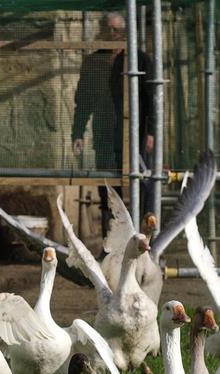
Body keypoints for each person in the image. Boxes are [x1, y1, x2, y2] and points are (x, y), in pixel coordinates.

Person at [71, 12, 156, 238]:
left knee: (143, 182)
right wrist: (77, 133)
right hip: (105, 134)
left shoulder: (140, 60)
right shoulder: (93, 62)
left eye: (116, 30)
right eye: (108, 30)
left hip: (135, 134)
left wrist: (151, 133)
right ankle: (113, 241)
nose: (112, 34)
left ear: (125, 33)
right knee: (108, 186)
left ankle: (144, 238)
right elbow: (83, 101)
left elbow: (152, 100)